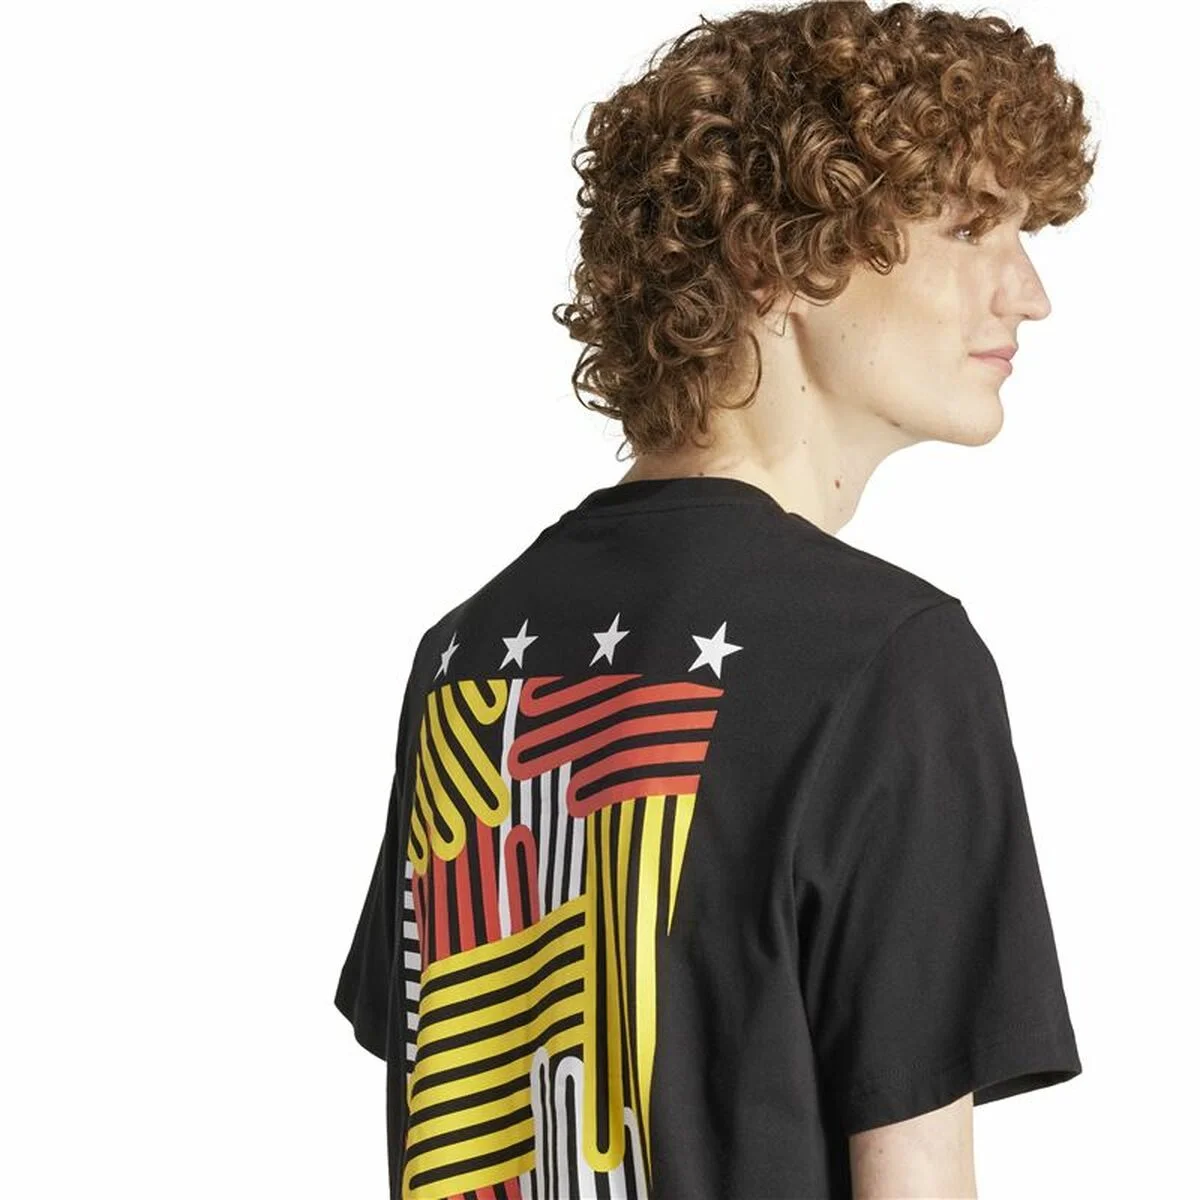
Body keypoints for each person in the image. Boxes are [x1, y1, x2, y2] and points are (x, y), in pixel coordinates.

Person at [334, 3, 1096, 1196]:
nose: (1028, 293)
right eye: (968, 226)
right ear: (771, 258)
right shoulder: (890, 661)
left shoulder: (464, 657)